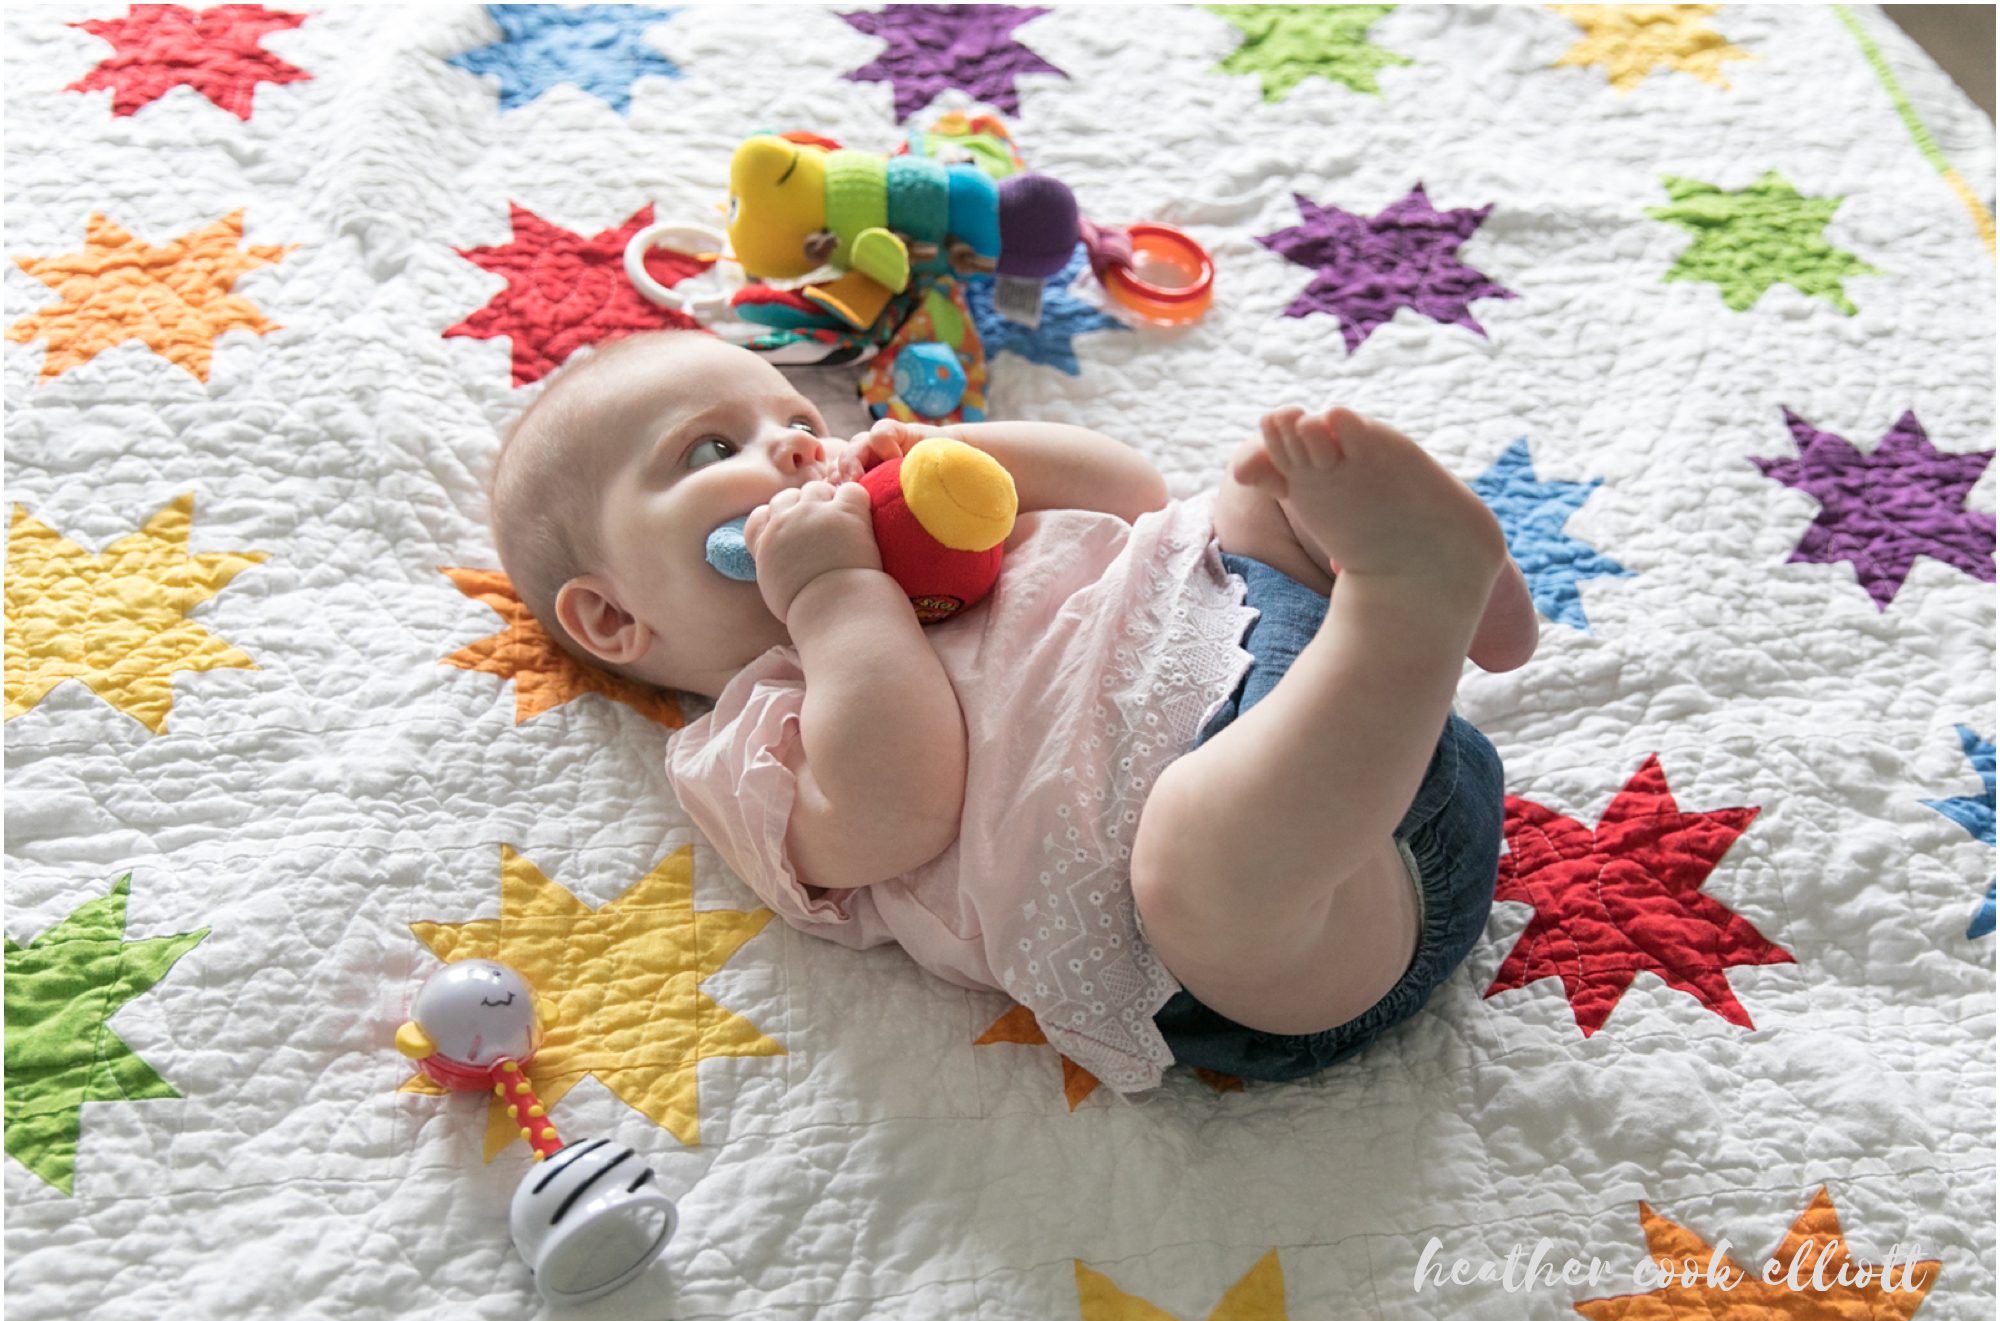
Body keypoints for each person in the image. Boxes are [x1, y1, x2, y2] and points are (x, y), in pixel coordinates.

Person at [488, 329, 1538, 1094]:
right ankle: (1404, 611)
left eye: (798, 422)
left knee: (1243, 499)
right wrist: (828, 596)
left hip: (1249, 633)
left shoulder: (922, 552)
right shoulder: (741, 747)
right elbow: (901, 805)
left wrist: (960, 461)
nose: (801, 450)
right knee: (1194, 858)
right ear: (612, 618)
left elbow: (1128, 494)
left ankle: (1433, 603)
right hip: (1301, 930)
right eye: (713, 452)